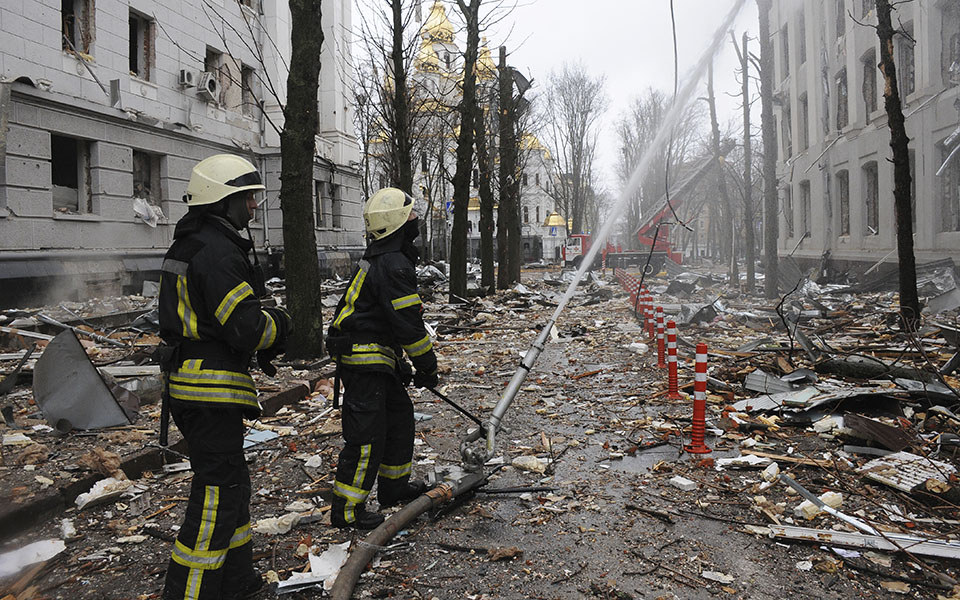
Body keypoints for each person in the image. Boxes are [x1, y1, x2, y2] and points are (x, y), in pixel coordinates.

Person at [157, 154, 291, 600]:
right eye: (247, 198)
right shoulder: (216, 254)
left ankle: (235, 582)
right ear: (223, 201)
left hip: (194, 387)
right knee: (216, 494)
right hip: (208, 390)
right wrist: (281, 324)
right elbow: (247, 327)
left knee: (231, 485)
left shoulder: (194, 243)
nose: (254, 207)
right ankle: (189, 593)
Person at [326, 187, 439, 529]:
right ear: (398, 224)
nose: (416, 220)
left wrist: (399, 364)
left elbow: (384, 320)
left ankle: (393, 487)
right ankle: (347, 510)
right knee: (366, 434)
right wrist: (427, 367)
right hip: (364, 360)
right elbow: (408, 326)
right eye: (411, 215)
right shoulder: (392, 263)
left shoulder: (384, 257)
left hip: (373, 356)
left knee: (400, 417)